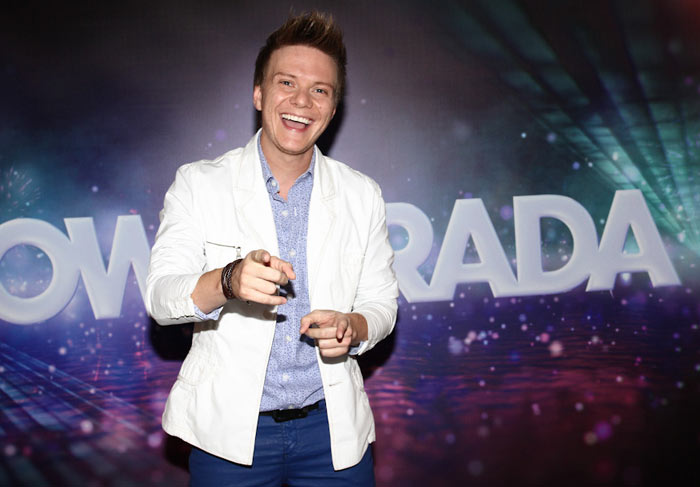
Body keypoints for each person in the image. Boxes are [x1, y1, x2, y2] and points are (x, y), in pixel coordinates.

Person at [145, 11, 398, 486]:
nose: (302, 101)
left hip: (331, 430)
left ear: (333, 107)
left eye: (320, 90)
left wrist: (354, 325)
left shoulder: (362, 195)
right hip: (229, 435)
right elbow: (161, 298)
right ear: (259, 93)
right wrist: (228, 280)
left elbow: (381, 304)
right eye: (287, 83)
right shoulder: (199, 183)